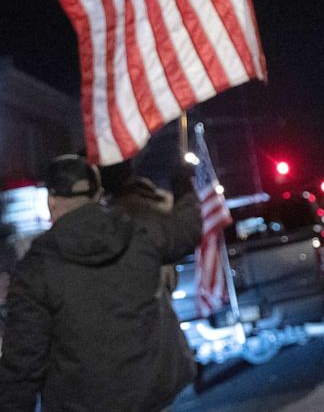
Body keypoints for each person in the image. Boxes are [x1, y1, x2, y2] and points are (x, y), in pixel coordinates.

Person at [0, 154, 201, 412]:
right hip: (152, 394)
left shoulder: (36, 270)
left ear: (51, 201)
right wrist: (184, 185)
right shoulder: (138, 234)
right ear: (97, 195)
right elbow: (186, 231)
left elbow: (23, 361)